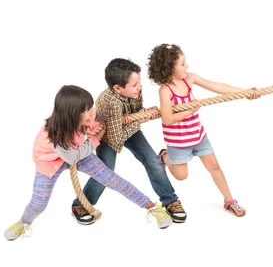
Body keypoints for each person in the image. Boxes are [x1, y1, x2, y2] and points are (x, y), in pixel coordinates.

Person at [5, 85, 172, 240]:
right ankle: (24, 222)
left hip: (80, 151)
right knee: (39, 202)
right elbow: (72, 158)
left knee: (112, 179)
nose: (92, 113)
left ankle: (152, 207)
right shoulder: (55, 136)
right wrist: (96, 138)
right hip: (51, 162)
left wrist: (144, 115)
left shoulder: (88, 118)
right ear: (71, 115)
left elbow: (114, 120)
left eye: (91, 106)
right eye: (86, 110)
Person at [147, 43, 260, 217]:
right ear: (169, 68)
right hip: (178, 142)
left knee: (214, 166)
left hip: (198, 136)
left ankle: (229, 200)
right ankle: (165, 156)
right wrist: (189, 110)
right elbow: (168, 119)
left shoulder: (189, 78)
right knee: (181, 176)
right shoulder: (165, 90)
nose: (187, 66)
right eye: (183, 64)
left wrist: (244, 92)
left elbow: (218, 87)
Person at [70, 58, 187, 225]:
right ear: (118, 88)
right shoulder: (110, 101)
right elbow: (116, 137)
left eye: (139, 82)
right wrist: (138, 119)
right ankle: (81, 204)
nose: (139, 87)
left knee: (152, 160)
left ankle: (170, 200)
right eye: (134, 85)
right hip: (108, 136)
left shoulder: (134, 90)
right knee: (105, 170)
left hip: (129, 130)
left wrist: (143, 114)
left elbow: (136, 112)